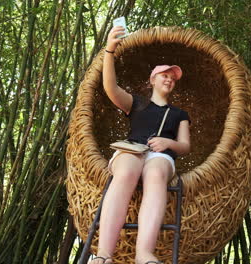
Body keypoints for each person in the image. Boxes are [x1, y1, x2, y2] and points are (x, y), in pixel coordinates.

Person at [89, 26, 191, 264]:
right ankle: (104, 254)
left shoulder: (179, 113)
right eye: (164, 75)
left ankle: (144, 254)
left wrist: (168, 143)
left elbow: (185, 146)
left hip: (161, 156)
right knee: (126, 172)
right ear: (152, 79)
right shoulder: (136, 103)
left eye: (173, 77)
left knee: (155, 175)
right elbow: (110, 88)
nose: (169, 79)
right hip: (132, 149)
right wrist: (110, 50)